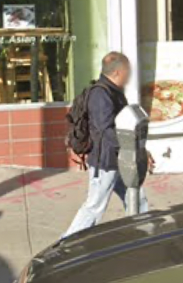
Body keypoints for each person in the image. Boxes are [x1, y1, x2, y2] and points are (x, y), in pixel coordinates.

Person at [63, 51, 154, 238]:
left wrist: (138, 149)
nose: (130, 76)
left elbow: (124, 127)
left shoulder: (114, 92)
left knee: (137, 197)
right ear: (118, 72)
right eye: (128, 71)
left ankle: (144, 234)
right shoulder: (101, 95)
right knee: (94, 206)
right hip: (106, 162)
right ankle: (67, 243)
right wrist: (133, 148)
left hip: (121, 158)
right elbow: (106, 131)